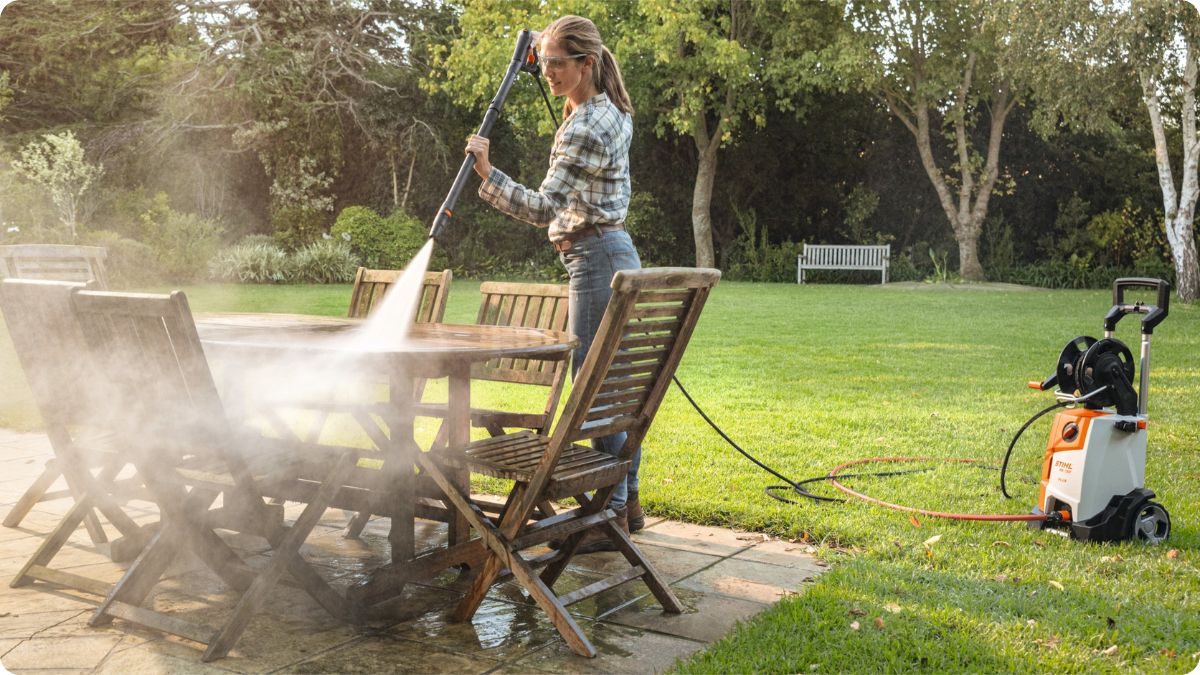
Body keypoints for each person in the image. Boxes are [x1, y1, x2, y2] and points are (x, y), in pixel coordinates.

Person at [464, 15, 643, 553]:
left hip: (595, 257)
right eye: (542, 65)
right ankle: (623, 502)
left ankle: (606, 512)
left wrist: (487, 174)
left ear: (586, 63)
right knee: (611, 385)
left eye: (556, 64)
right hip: (609, 252)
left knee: (593, 388)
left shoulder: (587, 124)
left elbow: (544, 207)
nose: (547, 74)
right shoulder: (607, 111)